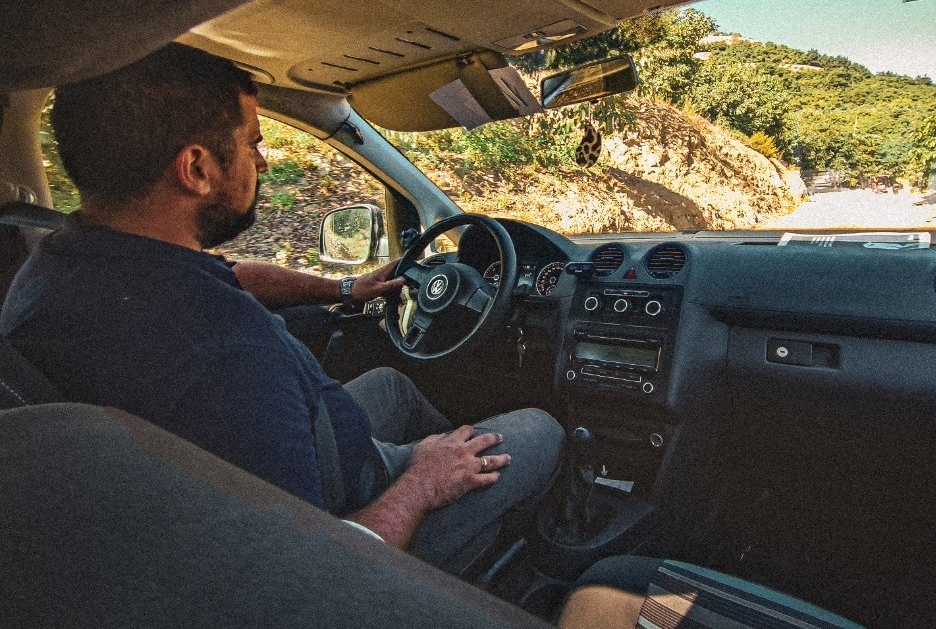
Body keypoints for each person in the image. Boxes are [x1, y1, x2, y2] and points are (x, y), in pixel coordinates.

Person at [0, 43, 563, 573]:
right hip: (344, 529)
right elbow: (309, 564)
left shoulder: (63, 262)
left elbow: (234, 276)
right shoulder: (225, 351)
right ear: (196, 169)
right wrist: (423, 484)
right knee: (540, 431)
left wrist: (344, 291)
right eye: (252, 144)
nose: (263, 163)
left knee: (391, 385)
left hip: (280, 466)